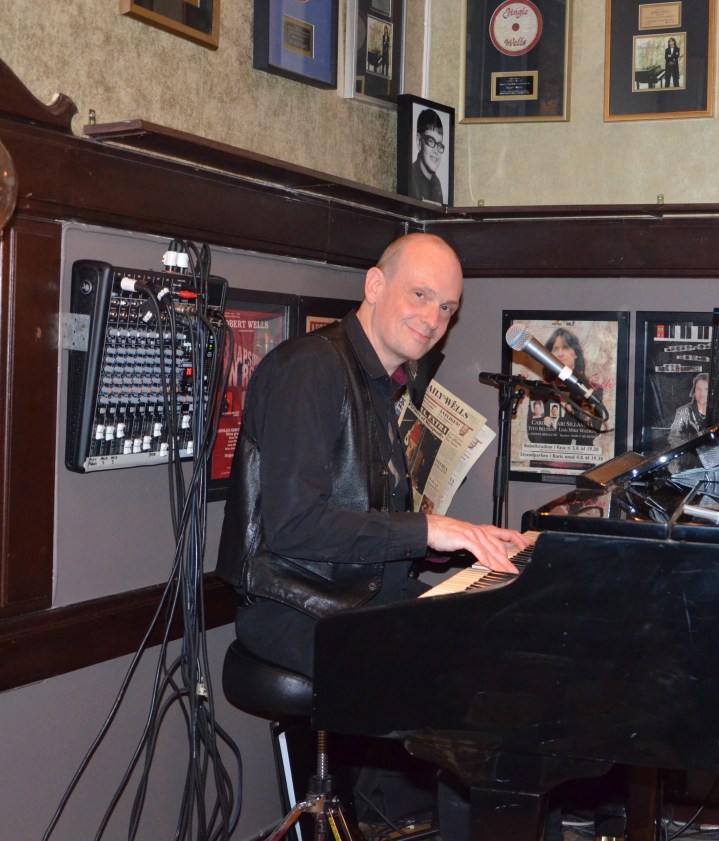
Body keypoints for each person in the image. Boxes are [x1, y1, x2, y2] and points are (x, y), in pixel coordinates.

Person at [216, 232, 532, 834]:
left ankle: (408, 816)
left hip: (357, 596)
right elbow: (294, 527)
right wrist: (429, 530)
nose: (433, 318)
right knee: (465, 693)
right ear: (375, 285)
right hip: (294, 606)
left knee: (497, 649)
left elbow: (373, 529)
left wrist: (469, 541)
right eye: (421, 295)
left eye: (447, 307)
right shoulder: (310, 369)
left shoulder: (380, 381)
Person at [408, 108, 446, 205]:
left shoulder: (437, 184)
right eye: (431, 141)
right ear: (419, 141)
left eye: (439, 145)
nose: (436, 151)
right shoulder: (410, 179)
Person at [667, 373, 709, 449]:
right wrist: (691, 446)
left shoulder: (718, 412)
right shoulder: (683, 411)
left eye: (706, 389)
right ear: (694, 391)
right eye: (698, 389)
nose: (702, 393)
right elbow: (673, 437)